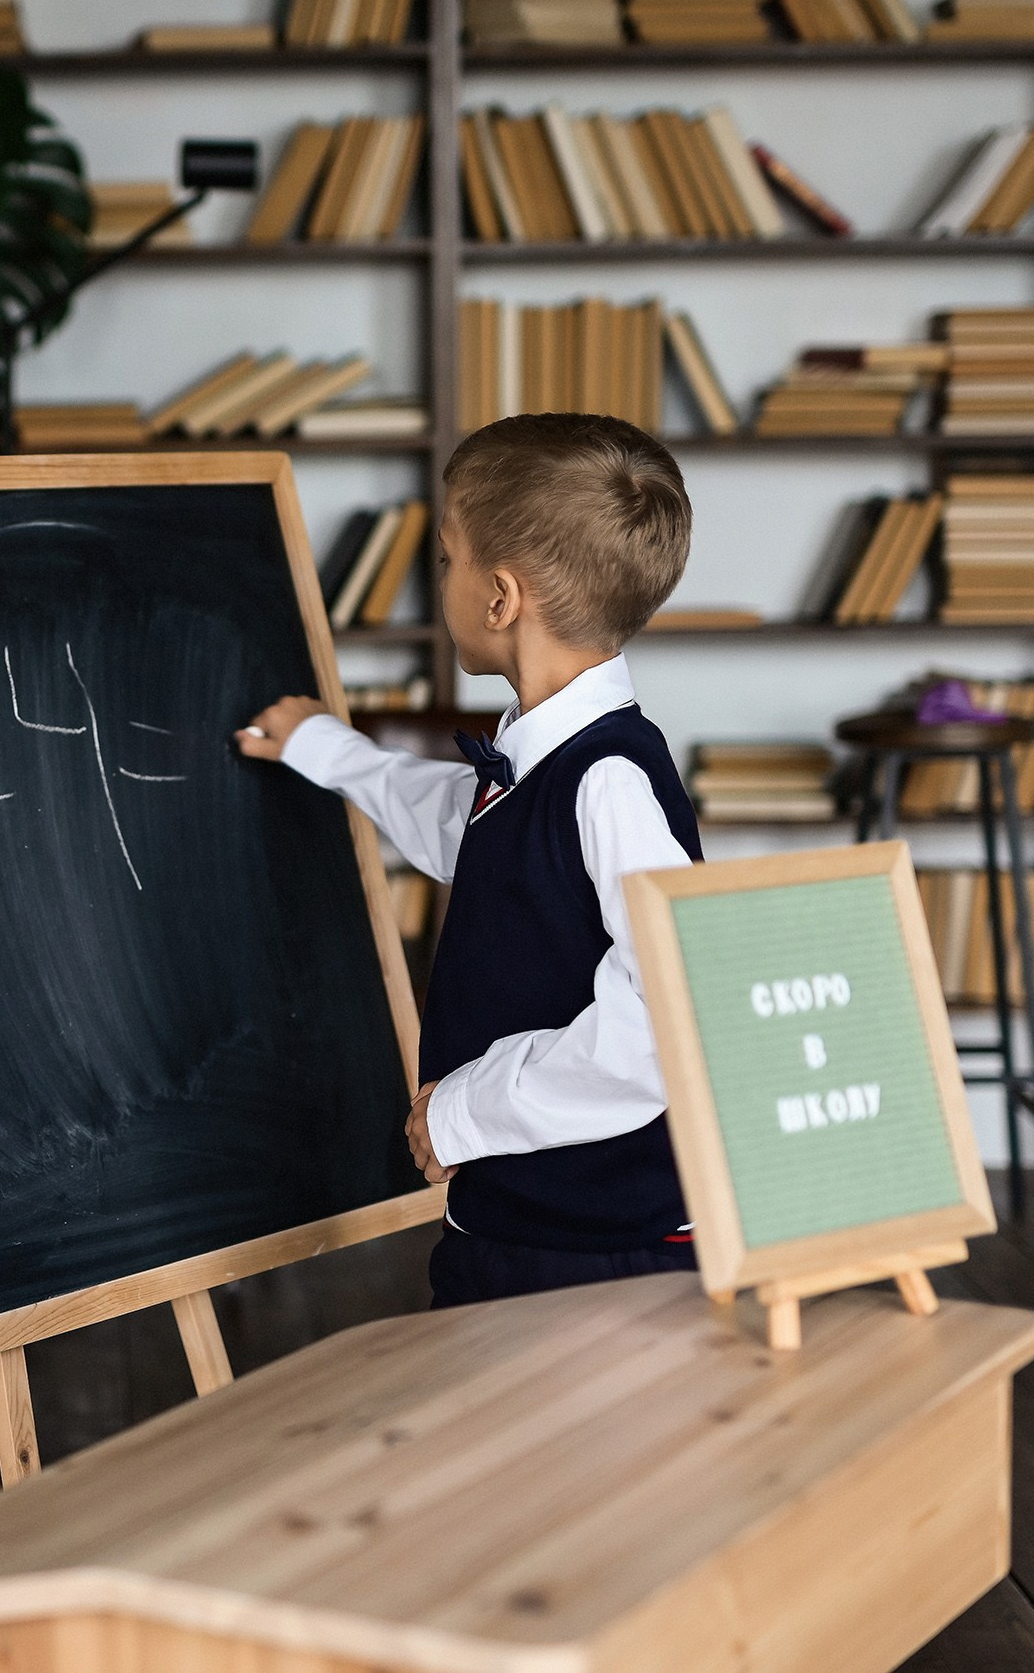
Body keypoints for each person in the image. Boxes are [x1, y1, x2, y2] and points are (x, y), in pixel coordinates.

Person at [239, 413, 703, 1306]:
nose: (437, 576)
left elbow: (661, 1024)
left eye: (446, 557)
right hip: (519, 1220)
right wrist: (325, 750)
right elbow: (460, 821)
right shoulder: (541, 763)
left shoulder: (608, 782)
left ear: (500, 599)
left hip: (597, 1251)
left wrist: (463, 1110)